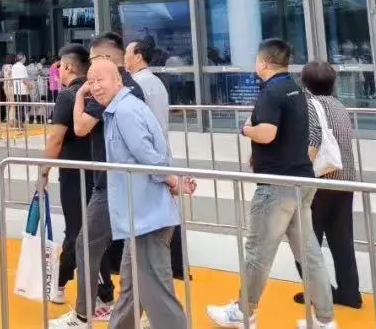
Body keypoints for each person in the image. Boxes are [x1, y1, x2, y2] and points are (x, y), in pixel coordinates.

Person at [208, 39, 337, 329]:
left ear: (264, 63)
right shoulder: (295, 89)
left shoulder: (271, 92)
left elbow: (267, 133)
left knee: (257, 253)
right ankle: (325, 319)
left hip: (276, 186)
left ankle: (244, 312)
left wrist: (245, 130)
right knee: (310, 255)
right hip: (301, 180)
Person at [90, 60, 194, 329]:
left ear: (118, 80)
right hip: (139, 215)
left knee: (157, 293)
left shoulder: (125, 111)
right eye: (91, 82)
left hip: (147, 216)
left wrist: (173, 180)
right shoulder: (121, 109)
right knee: (132, 288)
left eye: (100, 80)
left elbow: (146, 155)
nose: (95, 87)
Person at [51, 33, 146, 328]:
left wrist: (80, 95)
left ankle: (84, 314)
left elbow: (80, 128)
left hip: (112, 182)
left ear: (105, 60)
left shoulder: (108, 90)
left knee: (87, 245)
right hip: (124, 180)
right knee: (132, 253)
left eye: (93, 61)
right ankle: (131, 312)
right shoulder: (134, 88)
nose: (90, 72)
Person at [295, 61, 361, 310]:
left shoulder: (310, 105)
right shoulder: (339, 105)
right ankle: (350, 292)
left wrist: (299, 170)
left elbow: (314, 137)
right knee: (342, 239)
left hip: (320, 182)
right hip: (344, 181)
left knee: (305, 242)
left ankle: (320, 293)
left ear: (304, 83)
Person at [125, 39, 187, 280]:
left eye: (128, 53)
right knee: (166, 211)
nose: (124, 57)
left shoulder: (138, 85)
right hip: (160, 153)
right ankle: (175, 265)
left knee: (154, 214)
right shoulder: (156, 82)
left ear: (138, 56)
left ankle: (162, 267)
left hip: (150, 157)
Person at [41, 44, 93, 304]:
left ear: (69, 66)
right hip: (97, 171)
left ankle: (64, 283)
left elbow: (56, 138)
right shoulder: (96, 92)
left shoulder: (67, 96)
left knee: (77, 231)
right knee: (87, 230)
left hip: (74, 172)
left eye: (60, 66)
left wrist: (43, 171)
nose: (59, 71)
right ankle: (64, 282)